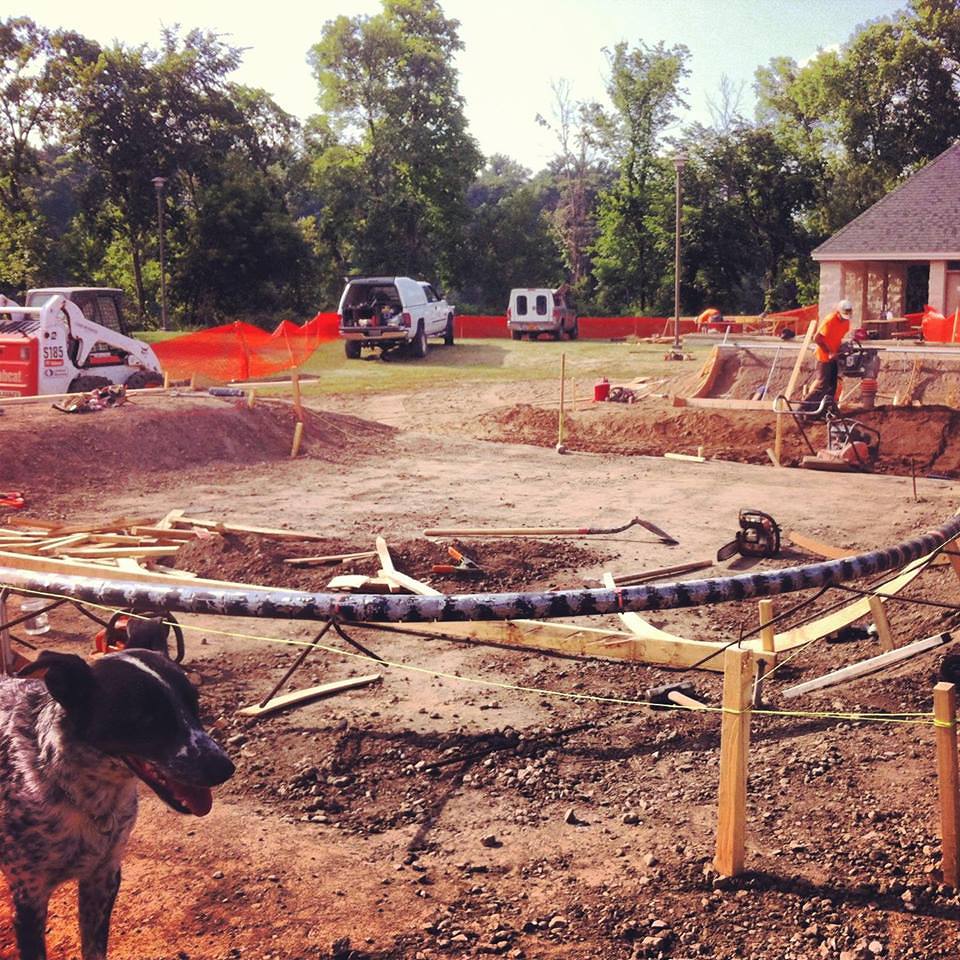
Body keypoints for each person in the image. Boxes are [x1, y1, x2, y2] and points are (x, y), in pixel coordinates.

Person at [806, 298, 853, 412]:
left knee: (832, 386)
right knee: (822, 385)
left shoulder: (846, 323)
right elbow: (817, 338)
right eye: (843, 315)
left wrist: (841, 347)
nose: (844, 318)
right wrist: (829, 352)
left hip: (833, 357)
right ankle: (803, 408)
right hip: (824, 356)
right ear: (838, 312)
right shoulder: (830, 320)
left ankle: (825, 410)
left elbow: (836, 338)